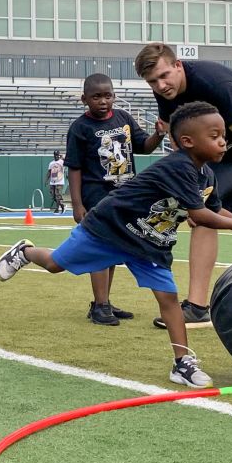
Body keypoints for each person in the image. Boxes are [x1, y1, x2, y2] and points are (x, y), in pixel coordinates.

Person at [0, 102, 232, 387]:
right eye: (215, 136)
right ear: (187, 141)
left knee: (168, 299)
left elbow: (214, 210)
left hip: (150, 245)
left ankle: (182, 363)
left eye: (223, 136)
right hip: (110, 230)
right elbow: (198, 214)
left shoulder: (206, 175)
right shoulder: (178, 166)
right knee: (55, 264)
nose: (223, 142)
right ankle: (25, 251)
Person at [135, 42, 232, 329]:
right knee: (203, 217)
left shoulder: (212, 82)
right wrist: (191, 195)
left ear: (178, 65)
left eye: (164, 76)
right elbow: (179, 139)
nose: (160, 85)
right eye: (152, 82)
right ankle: (196, 307)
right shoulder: (165, 95)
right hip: (221, 151)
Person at [65, 73, 166, 326]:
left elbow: (144, 146)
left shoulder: (123, 118)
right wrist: (77, 204)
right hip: (96, 195)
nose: (103, 101)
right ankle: (100, 305)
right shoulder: (80, 128)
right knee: (100, 247)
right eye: (96, 96)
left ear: (114, 96)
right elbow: (74, 168)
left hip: (124, 195)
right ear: (84, 99)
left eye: (107, 95)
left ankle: (104, 302)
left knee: (112, 249)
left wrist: (159, 135)